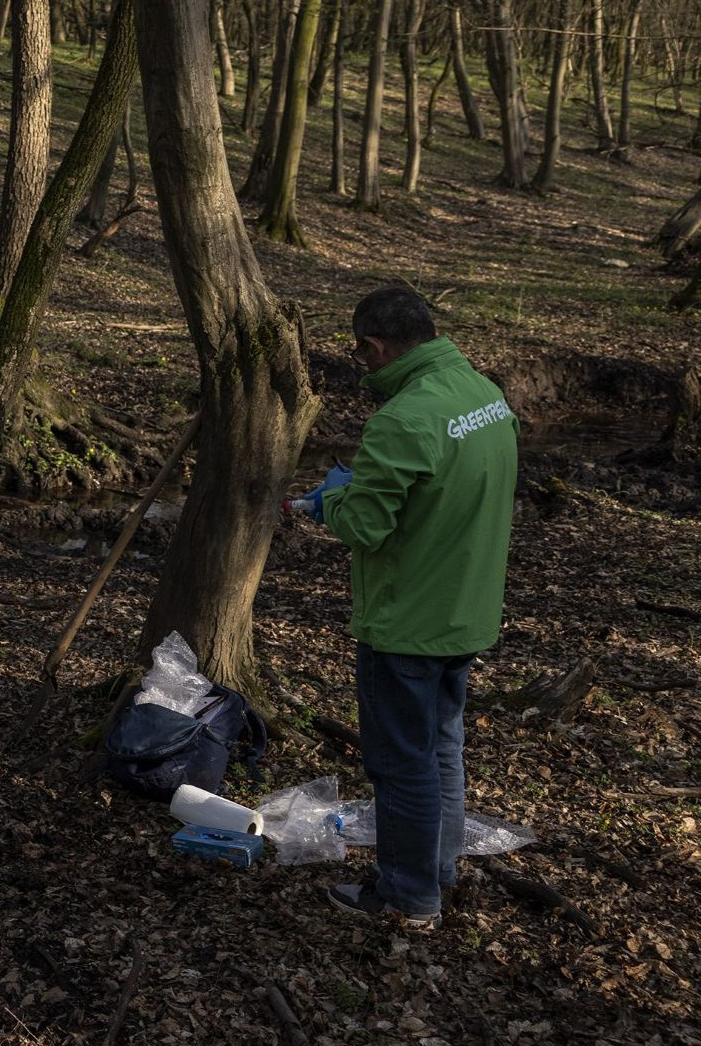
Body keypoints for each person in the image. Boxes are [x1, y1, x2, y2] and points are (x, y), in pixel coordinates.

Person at [293, 287, 518, 931]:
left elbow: (365, 526)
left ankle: (408, 896)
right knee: (442, 748)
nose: (362, 365)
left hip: (408, 622)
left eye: (360, 354)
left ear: (375, 345)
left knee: (401, 765)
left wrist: (332, 499)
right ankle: (437, 870)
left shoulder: (404, 417)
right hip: (465, 610)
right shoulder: (481, 393)